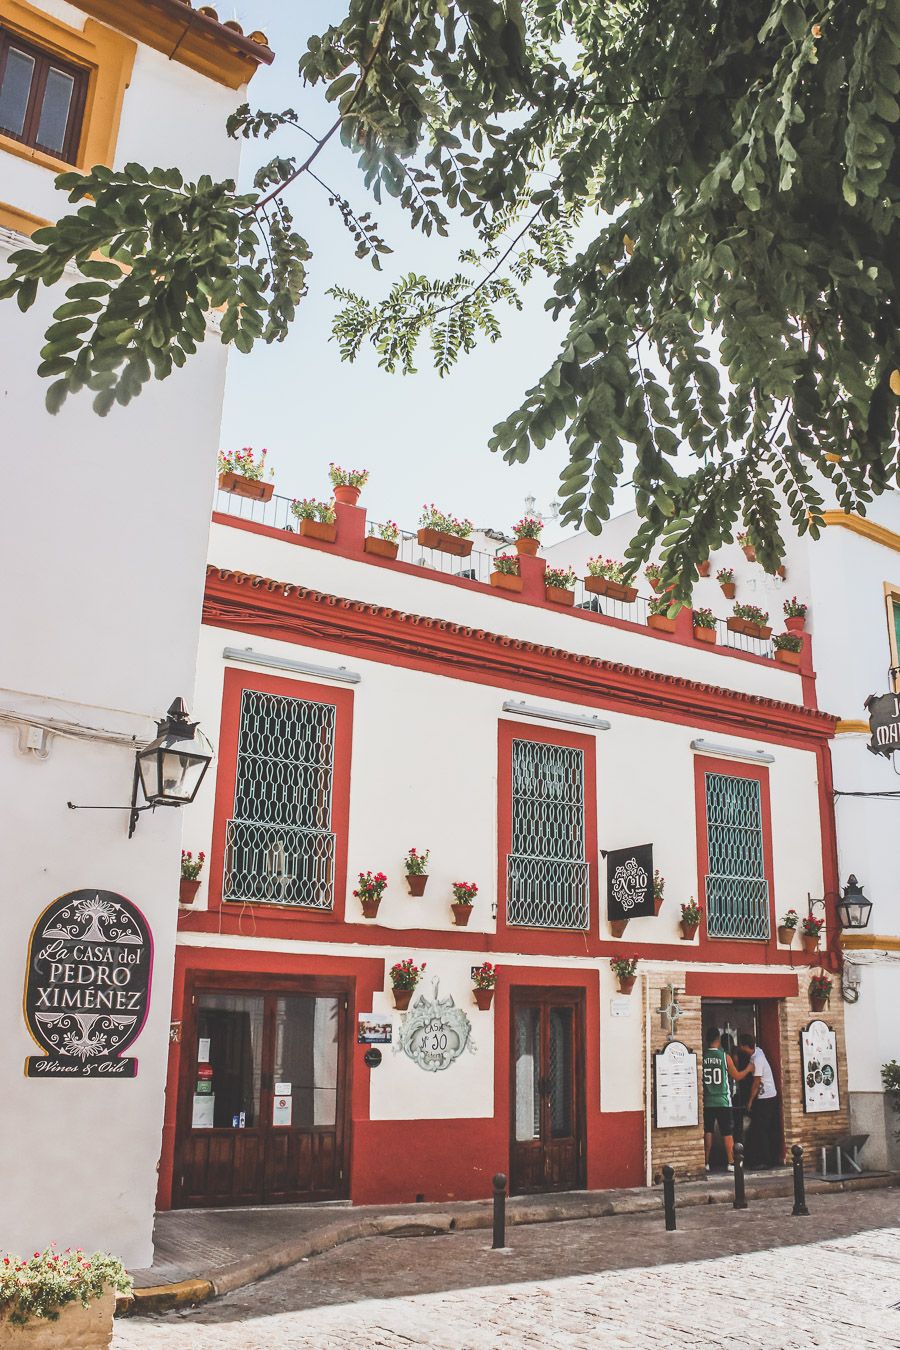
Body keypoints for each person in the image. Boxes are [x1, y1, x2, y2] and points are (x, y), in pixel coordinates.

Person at [702, 1027, 752, 1171]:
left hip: (707, 1100)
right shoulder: (724, 1056)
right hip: (723, 1100)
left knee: (708, 1131)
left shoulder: (703, 1056)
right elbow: (736, 1076)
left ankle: (706, 1162)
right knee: (727, 1133)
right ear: (718, 1040)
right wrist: (748, 1069)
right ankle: (731, 1162)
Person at [738, 1033, 780, 1168]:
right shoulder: (757, 1053)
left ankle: (765, 1161)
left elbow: (756, 1083)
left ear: (745, 1046)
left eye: (741, 1046)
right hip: (765, 1097)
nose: (740, 1048)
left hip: (766, 1098)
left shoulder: (758, 1059)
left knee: (761, 1130)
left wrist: (750, 1101)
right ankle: (759, 1159)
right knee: (758, 1129)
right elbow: (744, 1073)